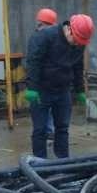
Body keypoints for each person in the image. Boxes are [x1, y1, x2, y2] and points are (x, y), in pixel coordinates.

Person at [25, 14, 94, 159]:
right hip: (42, 91)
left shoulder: (79, 43)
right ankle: (39, 162)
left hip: (63, 90)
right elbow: (33, 62)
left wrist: (79, 90)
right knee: (40, 130)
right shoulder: (44, 37)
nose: (77, 44)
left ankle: (63, 160)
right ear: (69, 29)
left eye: (80, 42)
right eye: (76, 40)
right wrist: (32, 88)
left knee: (62, 128)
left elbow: (77, 66)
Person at [34, 9, 58, 139]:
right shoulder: (39, 37)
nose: (39, 27)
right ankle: (48, 130)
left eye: (40, 24)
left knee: (49, 107)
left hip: (50, 80)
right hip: (44, 80)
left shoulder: (52, 38)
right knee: (45, 108)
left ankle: (49, 130)